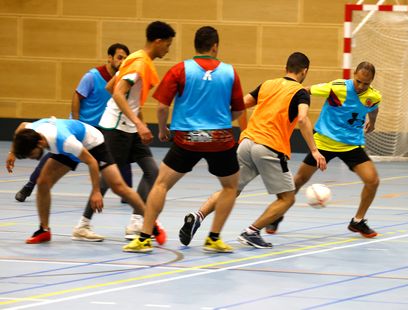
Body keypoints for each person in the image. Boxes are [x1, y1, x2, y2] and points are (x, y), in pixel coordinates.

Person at [176, 52, 327, 250]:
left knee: (231, 190)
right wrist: (314, 150)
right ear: (305, 71)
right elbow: (302, 119)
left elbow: (240, 104)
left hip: (246, 143)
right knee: (287, 198)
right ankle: (252, 232)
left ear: (286, 68)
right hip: (270, 147)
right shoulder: (300, 92)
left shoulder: (267, 84)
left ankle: (197, 216)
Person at [122, 26, 245, 253]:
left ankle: (143, 239)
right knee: (230, 187)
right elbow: (238, 111)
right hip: (220, 139)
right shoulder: (230, 72)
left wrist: (162, 129)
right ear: (215, 46)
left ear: (195, 46)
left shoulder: (180, 69)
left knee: (160, 184)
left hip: (186, 138)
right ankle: (213, 238)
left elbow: (161, 107)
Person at [265, 62, 381, 237]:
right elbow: (305, 90)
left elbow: (373, 108)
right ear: (353, 75)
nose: (361, 86)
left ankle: (357, 221)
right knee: (299, 180)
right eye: (358, 81)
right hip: (324, 142)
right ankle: (276, 215)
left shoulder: (373, 96)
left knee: (372, 181)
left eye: (366, 83)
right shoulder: (337, 87)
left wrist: (373, 121)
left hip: (351, 144)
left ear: (371, 81)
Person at [5, 118, 162, 245]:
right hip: (67, 149)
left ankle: (151, 223)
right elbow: (21, 127)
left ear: (39, 144)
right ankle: (44, 230)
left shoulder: (64, 140)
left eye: (30, 154)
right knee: (43, 182)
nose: (31, 158)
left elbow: (91, 162)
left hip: (93, 144)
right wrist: (13, 152)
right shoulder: (31, 130)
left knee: (119, 187)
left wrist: (96, 191)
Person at [14, 44, 133, 205]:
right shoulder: (92, 76)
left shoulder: (122, 80)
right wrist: (76, 121)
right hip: (80, 126)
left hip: (101, 129)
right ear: (109, 58)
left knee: (120, 153)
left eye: (126, 58)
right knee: (53, 156)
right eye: (120, 57)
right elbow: (77, 97)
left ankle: (127, 193)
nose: (123, 60)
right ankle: (29, 185)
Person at [99, 21, 175, 241]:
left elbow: (110, 86)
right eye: (167, 44)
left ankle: (135, 222)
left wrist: (138, 121)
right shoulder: (139, 63)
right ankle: (83, 224)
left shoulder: (136, 59)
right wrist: (139, 123)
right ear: (158, 41)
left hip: (129, 126)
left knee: (153, 172)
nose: (168, 50)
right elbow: (117, 93)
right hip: (117, 127)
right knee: (110, 180)